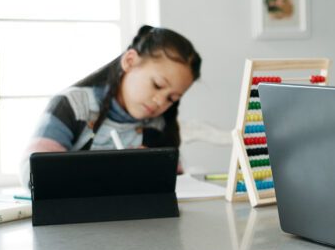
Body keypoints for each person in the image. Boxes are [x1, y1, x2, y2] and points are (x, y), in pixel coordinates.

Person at [20, 25, 202, 184]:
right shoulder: (73, 106)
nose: (160, 102)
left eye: (172, 98)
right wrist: (113, 169)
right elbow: (33, 173)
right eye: (157, 85)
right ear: (130, 61)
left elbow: (176, 182)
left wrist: (154, 169)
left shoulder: (158, 125)